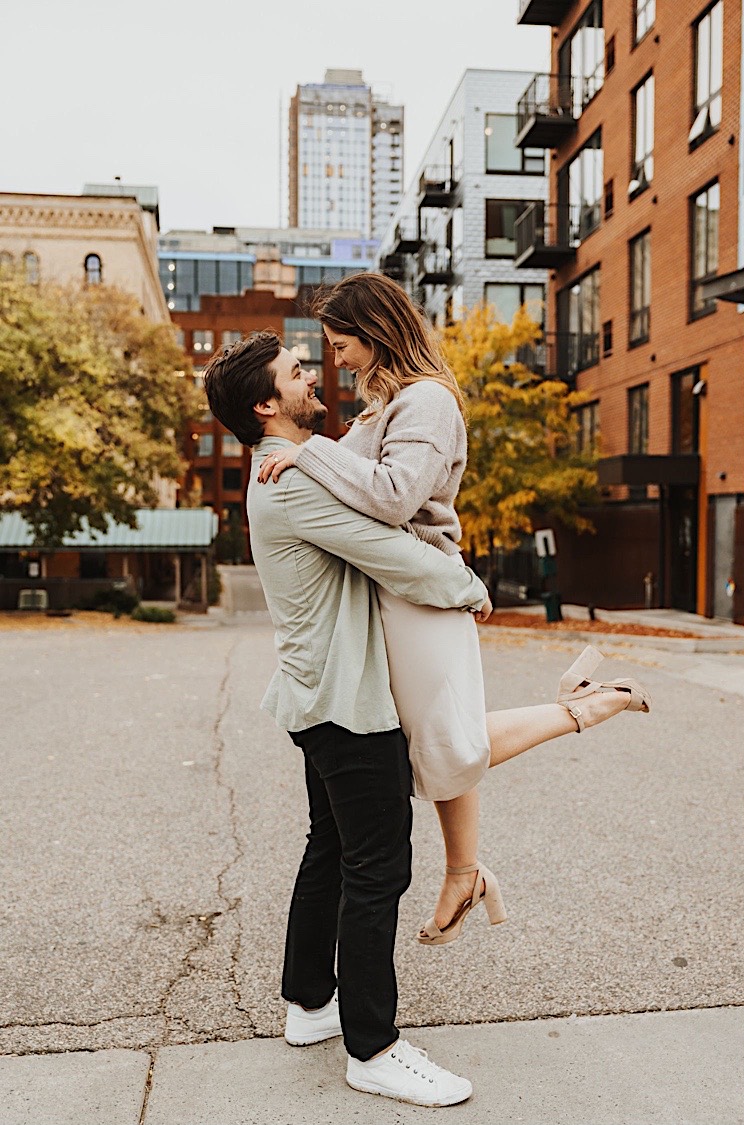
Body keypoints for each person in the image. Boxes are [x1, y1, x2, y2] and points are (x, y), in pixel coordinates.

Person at [253, 273, 649, 945]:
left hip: (423, 594)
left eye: (341, 343)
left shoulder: (429, 401)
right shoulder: (381, 409)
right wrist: (305, 457)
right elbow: (343, 486)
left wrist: (308, 451)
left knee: (444, 746)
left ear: (375, 334)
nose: (336, 359)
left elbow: (393, 497)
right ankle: (466, 868)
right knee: (429, 747)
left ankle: (587, 707)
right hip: (400, 593)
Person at [204, 333, 486, 1104]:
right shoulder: (288, 482)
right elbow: (387, 550)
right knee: (379, 865)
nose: (311, 375)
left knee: (330, 848)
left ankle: (307, 1003)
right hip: (346, 703)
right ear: (267, 404)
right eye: (297, 372)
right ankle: (374, 1046)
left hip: (315, 695)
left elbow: (359, 459)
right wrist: (466, 584)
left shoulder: (288, 468)